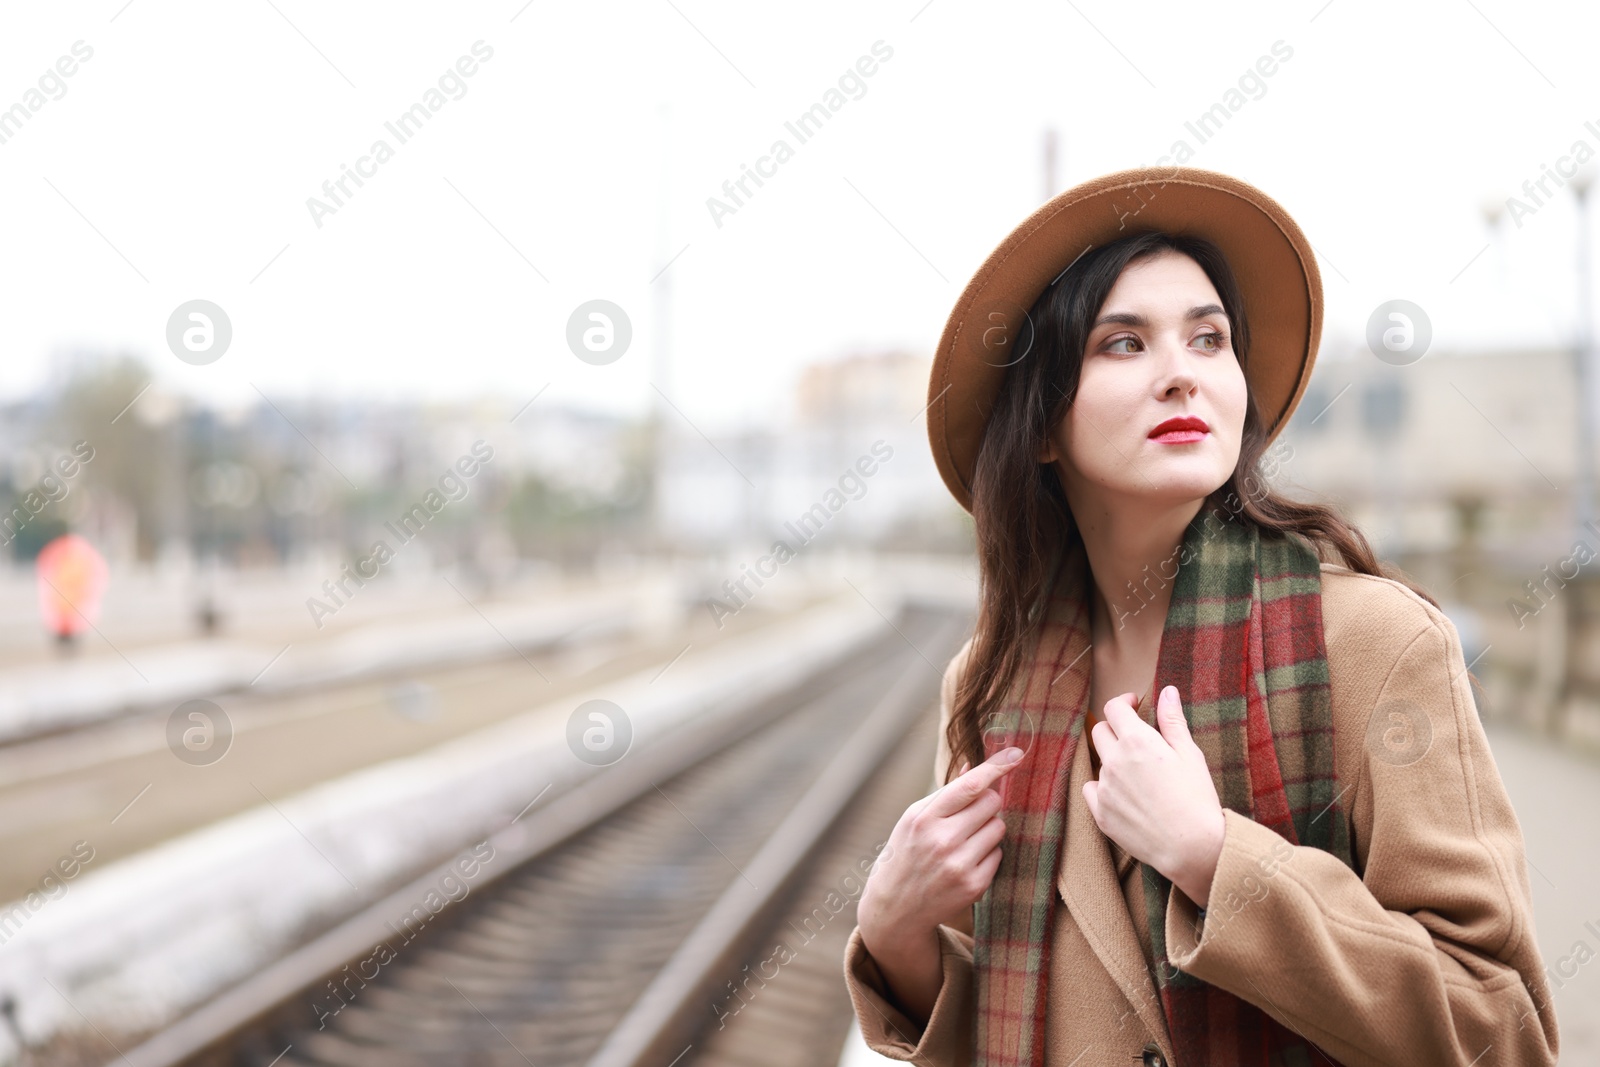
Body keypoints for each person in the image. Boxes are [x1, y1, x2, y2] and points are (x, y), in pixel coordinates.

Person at [841, 167, 1560, 1066]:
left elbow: (1502, 1028)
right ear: (1039, 428)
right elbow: (1014, 1009)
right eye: (1124, 344)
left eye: (1209, 338)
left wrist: (1220, 861)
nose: (1181, 374)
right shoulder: (992, 684)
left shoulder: (1377, 646)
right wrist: (896, 931)